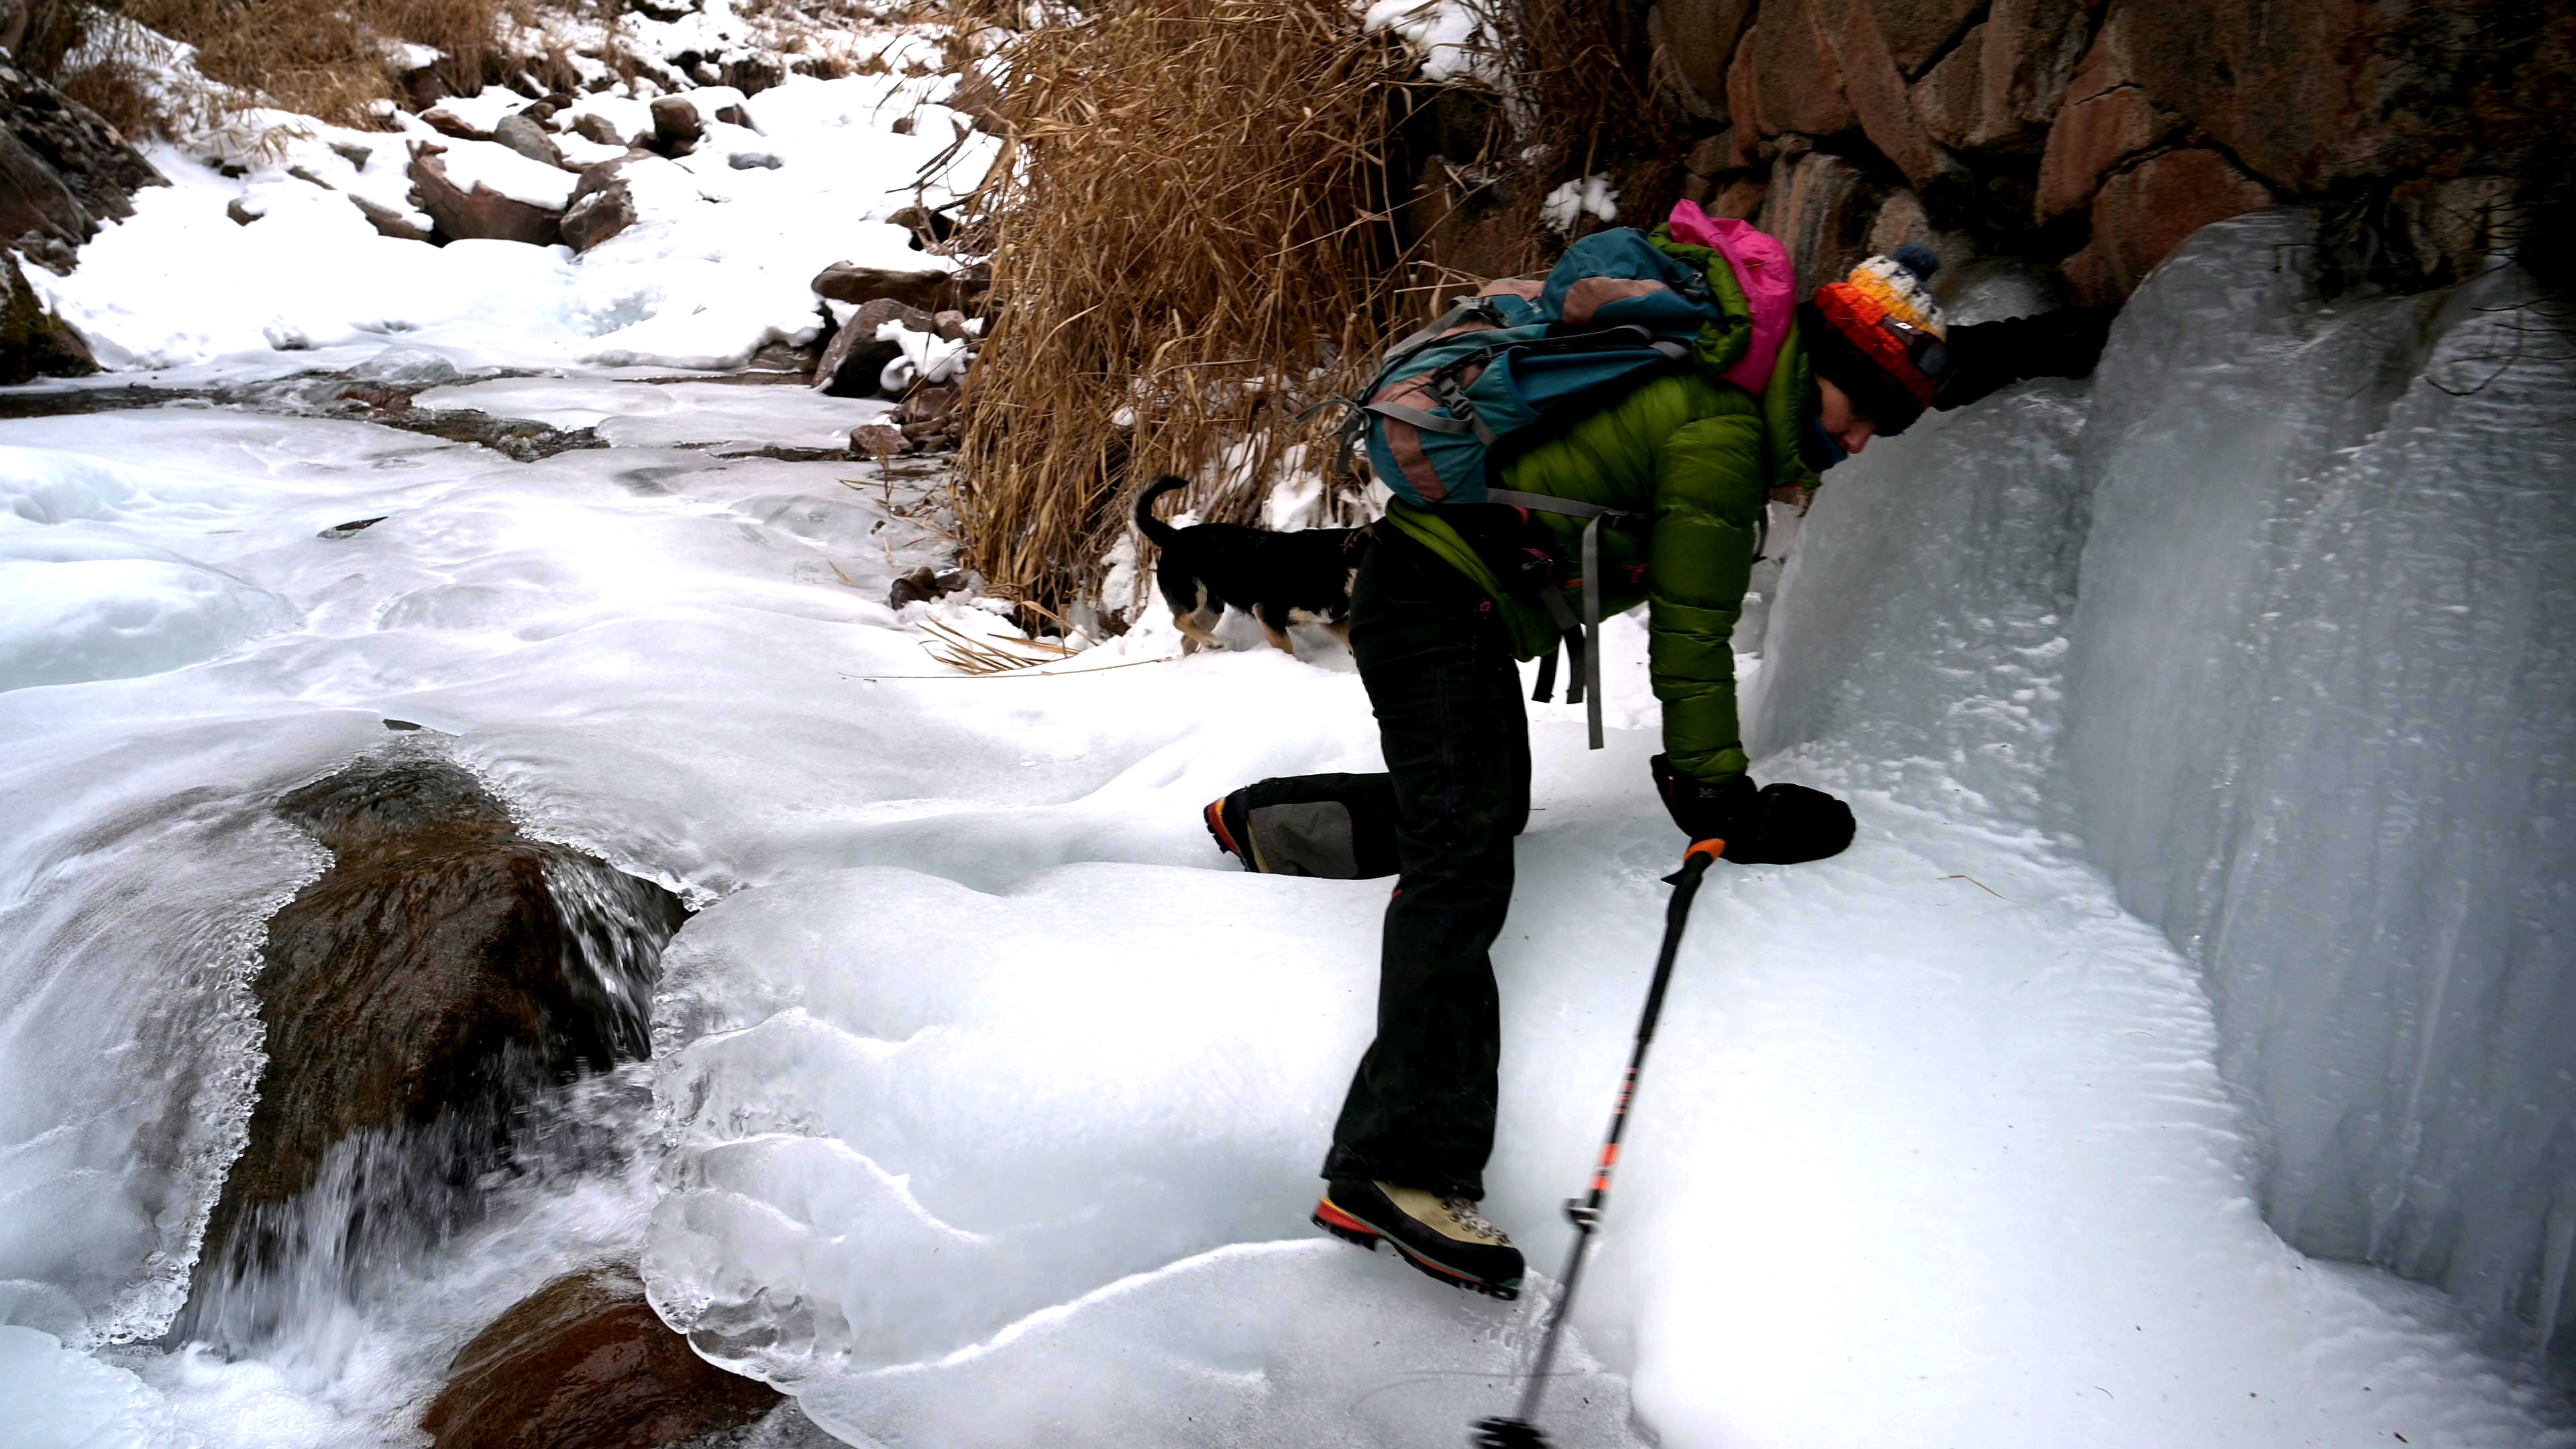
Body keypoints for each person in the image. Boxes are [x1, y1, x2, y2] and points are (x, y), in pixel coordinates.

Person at [1203, 239, 2110, 1298]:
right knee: (1464, 859)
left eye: (1883, 423)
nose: (1860, 442)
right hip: (1432, 602)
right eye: (1855, 414)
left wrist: (2083, 336)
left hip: (1443, 595)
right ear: (1812, 366)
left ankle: (1276, 827)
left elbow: (1921, 367)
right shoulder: (1721, 437)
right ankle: (1395, 1168)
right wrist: (1718, 795)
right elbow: (1691, 637)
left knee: (1480, 808)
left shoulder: (1761, 379)